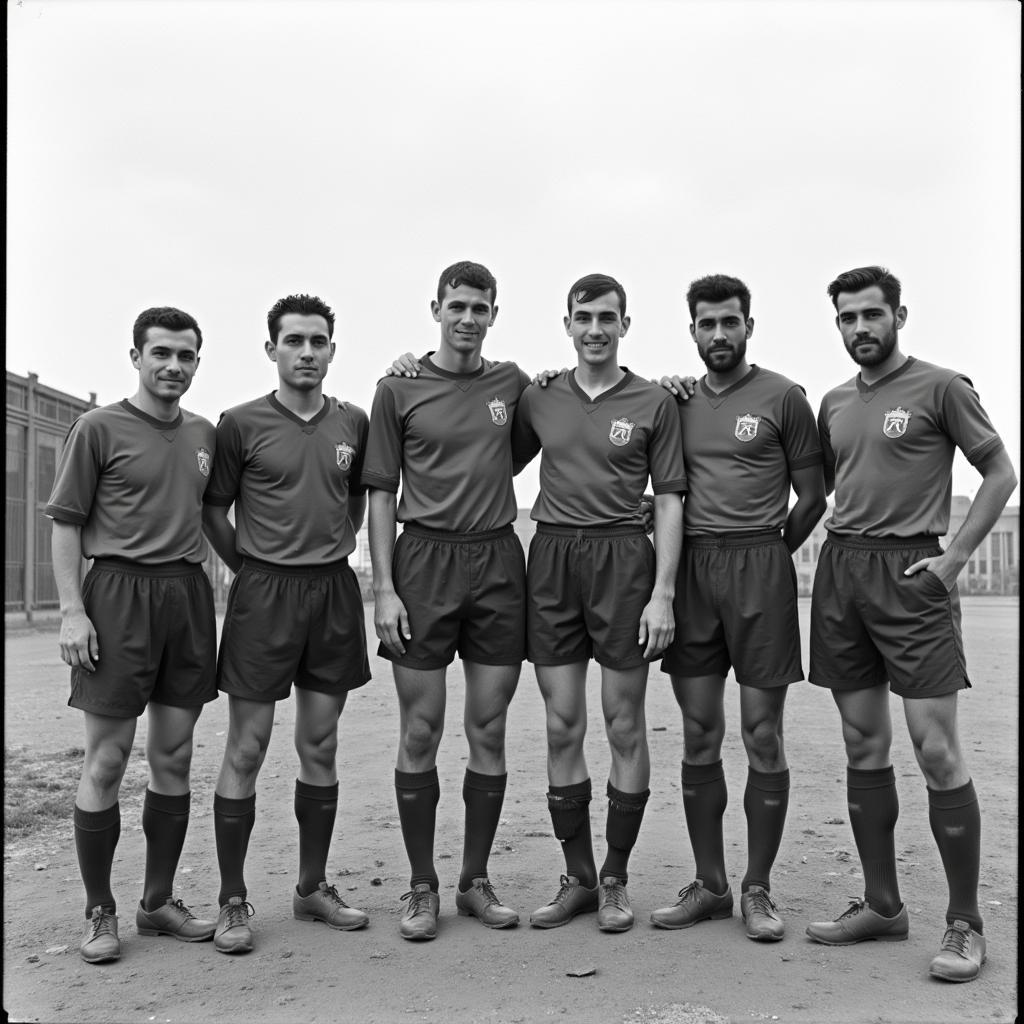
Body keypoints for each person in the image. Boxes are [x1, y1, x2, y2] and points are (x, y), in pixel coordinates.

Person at [805, 266, 1016, 982]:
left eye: (871, 314)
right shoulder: (832, 402)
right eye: (847, 318)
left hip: (913, 574)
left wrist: (954, 559)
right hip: (843, 573)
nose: (859, 328)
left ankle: (964, 923)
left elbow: (1000, 473)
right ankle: (883, 905)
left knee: (935, 750)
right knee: (863, 742)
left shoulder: (942, 387)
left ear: (899, 314)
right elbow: (821, 486)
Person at [649, 274, 826, 941]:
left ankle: (757, 887)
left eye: (730, 322)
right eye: (706, 324)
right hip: (693, 571)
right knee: (698, 735)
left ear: (750, 325)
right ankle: (710, 884)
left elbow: (813, 497)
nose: (718, 335)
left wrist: (769, 552)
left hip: (760, 569)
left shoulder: (783, 397)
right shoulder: (675, 402)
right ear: (691, 330)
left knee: (761, 734)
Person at [511, 273, 686, 933]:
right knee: (562, 727)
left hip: (623, 562)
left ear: (625, 324)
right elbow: (491, 456)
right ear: (566, 324)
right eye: (583, 317)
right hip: (553, 559)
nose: (594, 329)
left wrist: (662, 593)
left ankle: (615, 876)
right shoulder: (539, 396)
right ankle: (577, 876)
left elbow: (669, 499)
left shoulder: (654, 402)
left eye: (607, 318)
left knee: (624, 725)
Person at [46, 306, 218, 964]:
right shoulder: (98, 429)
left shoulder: (204, 433)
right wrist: (71, 610)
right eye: (161, 354)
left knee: (173, 759)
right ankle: (99, 909)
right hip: (116, 595)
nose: (173, 365)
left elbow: (215, 513)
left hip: (185, 596)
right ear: (137, 357)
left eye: (186, 356)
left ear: (197, 362)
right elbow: (66, 521)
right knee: (109, 760)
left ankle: (158, 902)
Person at [363, 261, 529, 941]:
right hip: (423, 562)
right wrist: (383, 588)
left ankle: (474, 881)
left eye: (479, 307)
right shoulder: (397, 388)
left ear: (494, 314)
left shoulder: (514, 385)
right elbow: (379, 491)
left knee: (487, 730)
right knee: (421, 730)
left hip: (495, 560)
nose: (467, 317)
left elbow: (573, 420)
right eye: (456, 305)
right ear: (436, 308)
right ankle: (422, 886)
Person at [202, 294, 371, 954]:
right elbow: (216, 510)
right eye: (294, 341)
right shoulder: (239, 423)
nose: (306, 352)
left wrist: (332, 546)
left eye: (318, 341)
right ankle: (232, 899)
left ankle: (311, 887)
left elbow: (355, 498)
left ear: (332, 349)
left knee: (320, 745)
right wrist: (252, 566)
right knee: (246, 747)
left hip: (331, 591)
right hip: (263, 592)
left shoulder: (353, 422)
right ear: (271, 349)